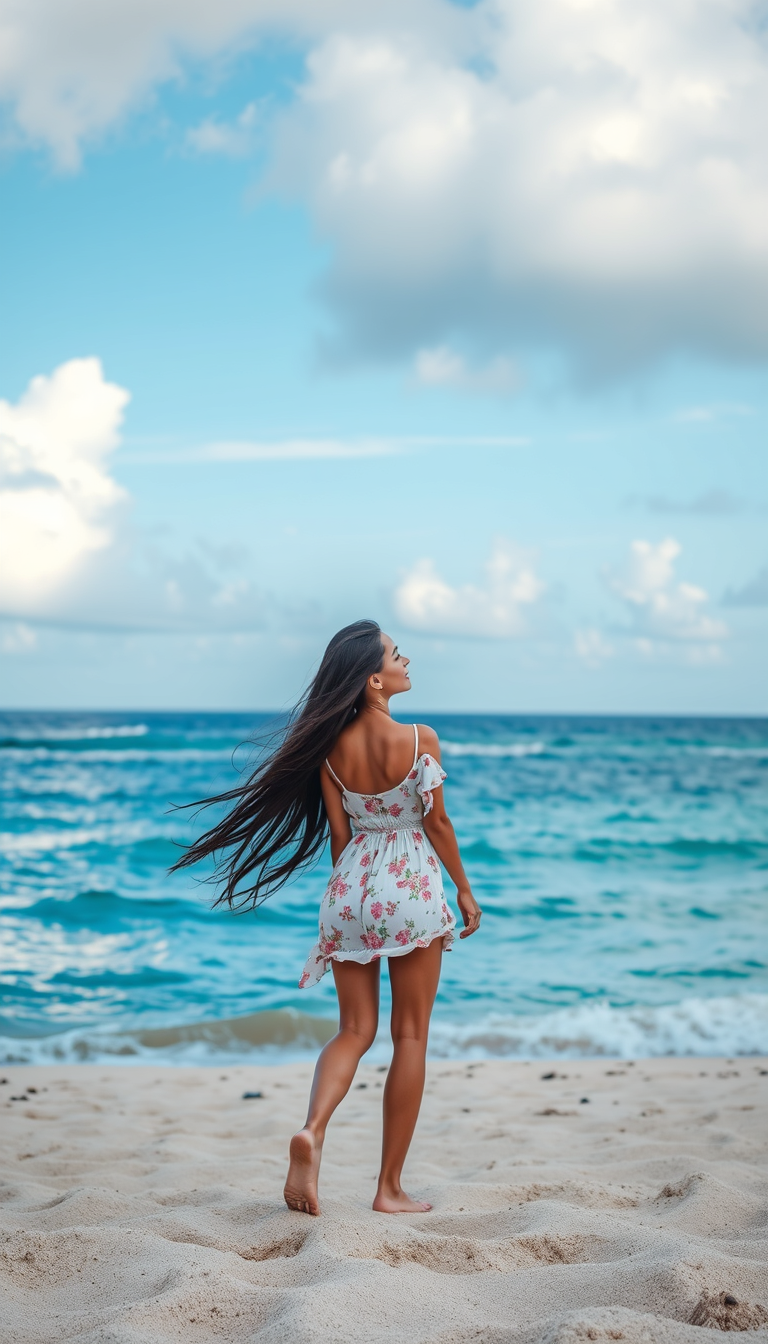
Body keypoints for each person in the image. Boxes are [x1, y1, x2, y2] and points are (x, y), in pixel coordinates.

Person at [172, 620, 481, 1216]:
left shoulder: (329, 750)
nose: (405, 658)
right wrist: (464, 891)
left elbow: (340, 839)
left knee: (353, 1031)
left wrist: (353, 900)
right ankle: (388, 1189)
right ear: (373, 679)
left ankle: (312, 1128)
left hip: (351, 892)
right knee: (409, 1034)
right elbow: (437, 824)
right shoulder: (420, 738)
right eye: (395, 654)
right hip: (411, 886)